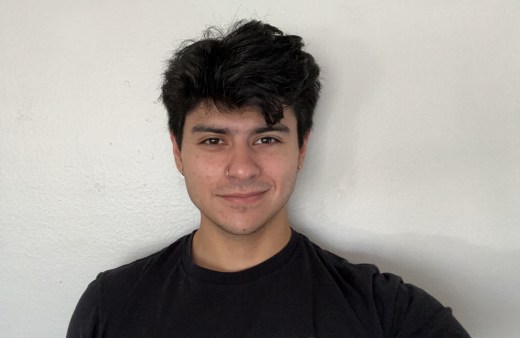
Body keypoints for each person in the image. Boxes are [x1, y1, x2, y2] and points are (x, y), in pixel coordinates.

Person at [67, 20, 470, 337]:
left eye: (266, 138)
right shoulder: (110, 306)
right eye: (213, 139)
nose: (242, 168)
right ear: (178, 151)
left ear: (301, 148)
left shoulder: (389, 314)